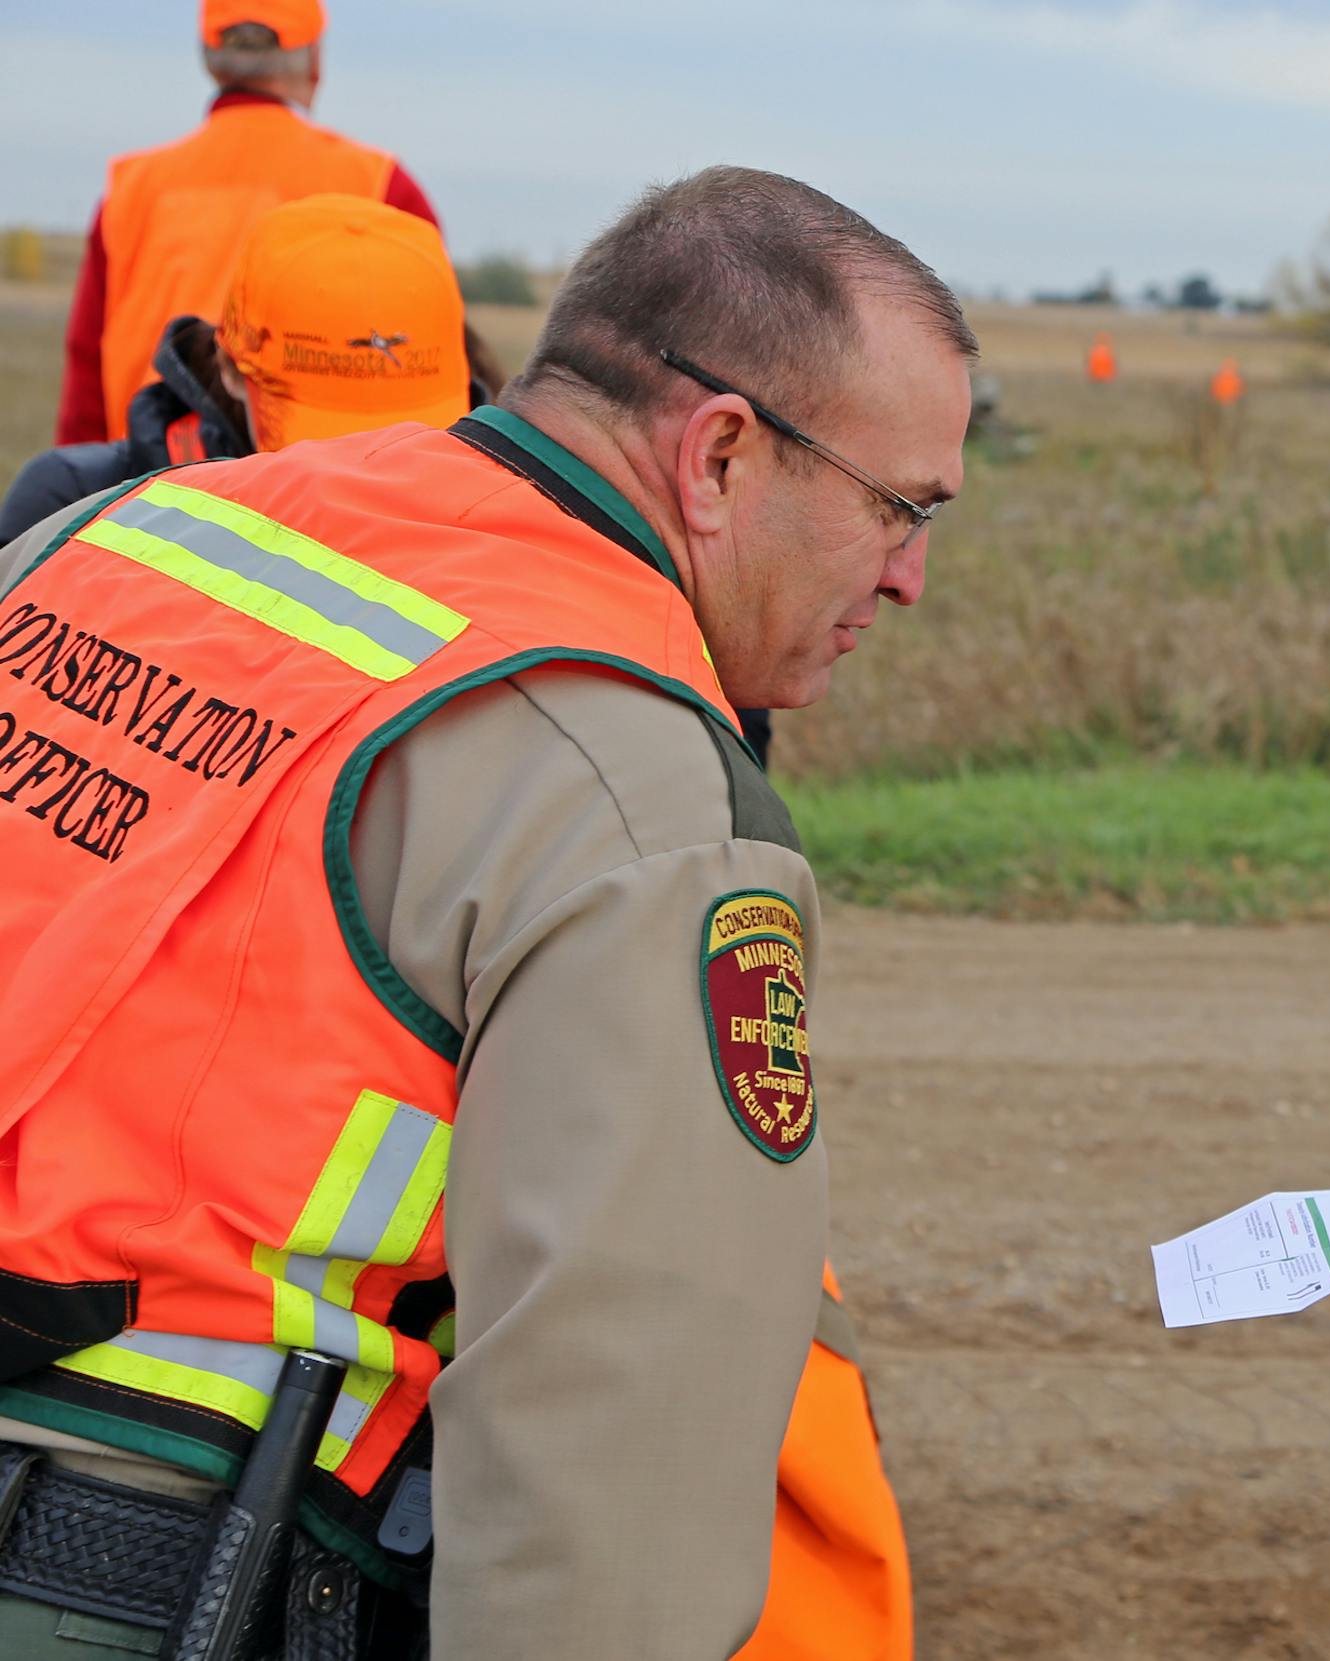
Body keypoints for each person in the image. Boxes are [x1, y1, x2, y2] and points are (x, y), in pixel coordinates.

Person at [0, 164, 972, 1658]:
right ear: (718, 454)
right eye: (900, 508)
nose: (909, 578)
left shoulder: (120, 541)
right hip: (143, 1568)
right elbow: (612, 1456)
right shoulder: (636, 799)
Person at [56, 0, 439, 447]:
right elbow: (427, 368)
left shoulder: (129, 191)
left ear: (209, 57)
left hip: (146, 494)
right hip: (317, 493)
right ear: (315, 59)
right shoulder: (382, 186)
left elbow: (85, 387)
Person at [6, 195, 482, 544]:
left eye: (407, 437)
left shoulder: (494, 525)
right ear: (232, 370)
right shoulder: (75, 506)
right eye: (326, 439)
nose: (364, 471)